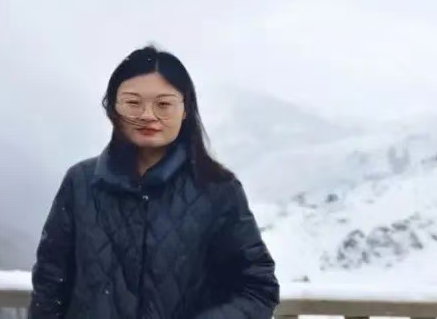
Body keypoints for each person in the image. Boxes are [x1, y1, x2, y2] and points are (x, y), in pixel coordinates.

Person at [28, 45, 279, 319]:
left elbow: (258, 288)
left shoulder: (218, 189)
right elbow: (50, 286)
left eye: (163, 104)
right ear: (113, 107)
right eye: (133, 103)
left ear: (186, 109)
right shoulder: (81, 183)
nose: (148, 115)